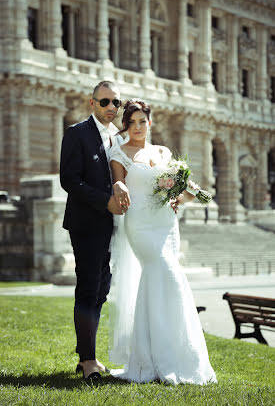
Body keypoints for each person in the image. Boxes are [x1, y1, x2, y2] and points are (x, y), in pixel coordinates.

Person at [108, 99, 217, 385]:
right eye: (131, 122)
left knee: (167, 279)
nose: (137, 127)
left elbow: (177, 193)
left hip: (166, 224)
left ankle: (167, 354)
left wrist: (185, 194)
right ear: (126, 125)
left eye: (142, 121)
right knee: (165, 274)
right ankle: (158, 357)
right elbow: (117, 184)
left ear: (150, 123)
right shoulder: (119, 152)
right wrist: (119, 186)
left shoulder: (163, 152)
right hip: (140, 224)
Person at [60, 80, 127, 381]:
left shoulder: (118, 138)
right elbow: (69, 180)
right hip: (87, 225)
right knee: (88, 289)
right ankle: (88, 360)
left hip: (115, 228)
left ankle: (86, 353)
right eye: (105, 102)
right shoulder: (77, 134)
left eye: (116, 102)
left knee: (101, 290)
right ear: (92, 103)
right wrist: (106, 202)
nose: (111, 107)